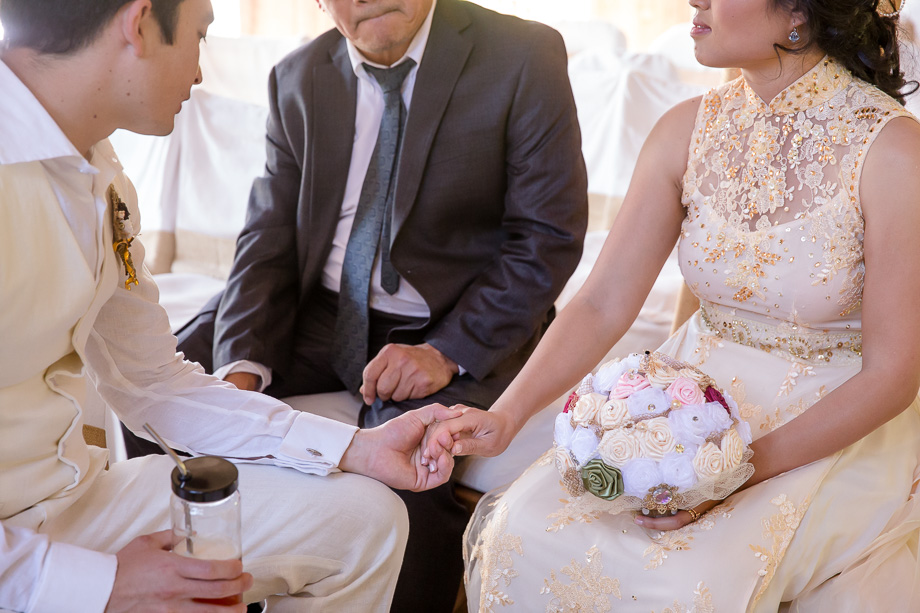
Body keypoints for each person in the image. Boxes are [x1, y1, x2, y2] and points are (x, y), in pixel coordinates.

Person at [424, 0, 920, 609]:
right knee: (523, 527)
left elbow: (892, 375)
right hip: (689, 395)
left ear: (799, 9)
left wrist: (732, 471)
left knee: (687, 581)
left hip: (836, 413)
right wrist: (506, 418)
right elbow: (604, 301)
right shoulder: (687, 127)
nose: (695, 0)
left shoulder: (892, 151)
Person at [0, 1, 459, 611]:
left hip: (72, 500)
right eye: (199, 36)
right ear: (139, 25)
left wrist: (356, 448)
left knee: (365, 519)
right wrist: (95, 585)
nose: (199, 71)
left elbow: (153, 382)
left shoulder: (102, 174)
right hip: (15, 552)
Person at [171, 0, 588, 608]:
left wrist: (445, 353)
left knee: (412, 463)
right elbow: (268, 240)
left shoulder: (522, 55)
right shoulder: (297, 76)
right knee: (168, 388)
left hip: (452, 316)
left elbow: (547, 236)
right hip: (324, 310)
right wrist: (240, 376)